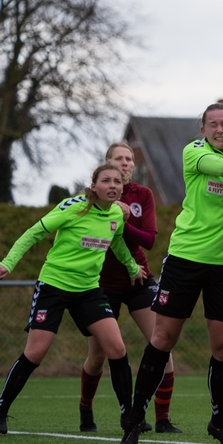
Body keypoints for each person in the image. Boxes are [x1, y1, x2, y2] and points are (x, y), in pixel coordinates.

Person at [120, 103, 223, 444]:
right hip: (186, 259)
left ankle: (219, 423)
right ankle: (134, 421)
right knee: (163, 338)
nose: (220, 129)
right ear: (203, 130)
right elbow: (222, 167)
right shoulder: (194, 152)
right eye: (213, 124)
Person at [0, 164, 146, 436]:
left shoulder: (116, 213)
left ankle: (129, 417)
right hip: (53, 286)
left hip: (89, 290)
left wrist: (132, 267)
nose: (112, 185)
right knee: (35, 353)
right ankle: (1, 408)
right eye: (106, 181)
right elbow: (34, 232)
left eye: (117, 181)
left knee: (117, 348)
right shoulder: (73, 207)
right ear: (94, 186)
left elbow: (116, 243)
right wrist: (8, 263)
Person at [77, 142, 179, 435]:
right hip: (101, 284)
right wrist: (111, 212)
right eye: (119, 158)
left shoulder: (142, 195)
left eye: (129, 158)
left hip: (139, 278)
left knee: (162, 344)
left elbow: (149, 240)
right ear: (107, 163)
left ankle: (162, 419)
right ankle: (85, 408)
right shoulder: (92, 199)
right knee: (98, 356)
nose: (125, 163)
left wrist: (125, 220)